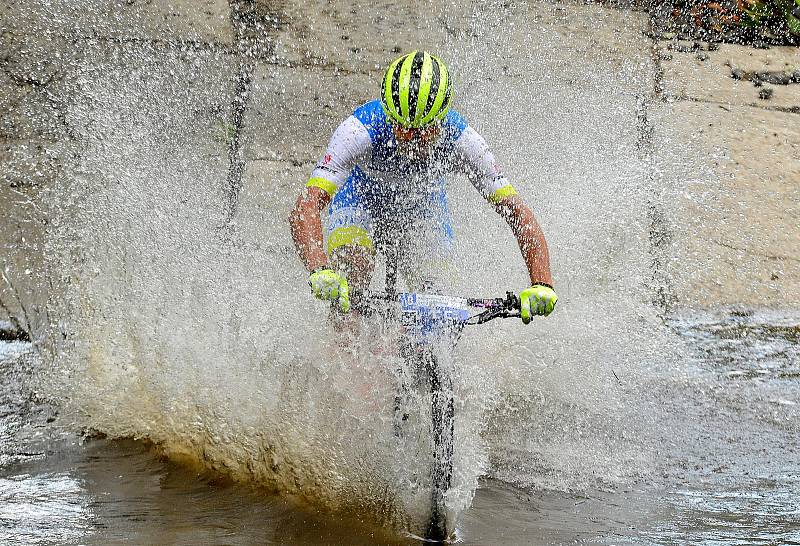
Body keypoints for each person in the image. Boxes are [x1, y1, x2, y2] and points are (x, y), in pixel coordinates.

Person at [289, 51, 557, 324]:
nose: (411, 139)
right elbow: (307, 204)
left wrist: (542, 283)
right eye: (402, 127)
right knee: (353, 274)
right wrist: (319, 268)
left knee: (436, 301)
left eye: (423, 130)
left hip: (422, 205)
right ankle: (346, 357)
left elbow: (517, 213)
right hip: (359, 197)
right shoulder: (358, 130)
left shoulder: (464, 141)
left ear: (442, 119)